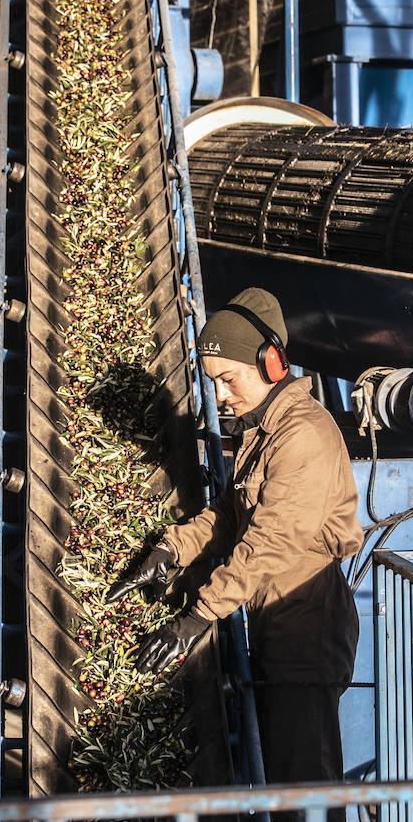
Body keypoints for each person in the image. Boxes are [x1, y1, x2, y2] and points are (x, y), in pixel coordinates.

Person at [107, 287, 362, 797]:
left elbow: (270, 541)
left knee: (303, 782)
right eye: (213, 382)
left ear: (270, 363)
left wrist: (198, 615)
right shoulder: (264, 430)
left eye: (227, 379)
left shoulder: (302, 435)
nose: (220, 395)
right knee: (281, 773)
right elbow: (231, 513)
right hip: (276, 610)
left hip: (306, 615)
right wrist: (170, 550)